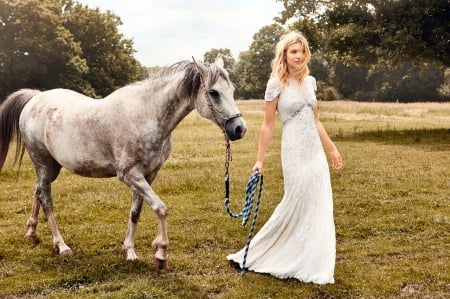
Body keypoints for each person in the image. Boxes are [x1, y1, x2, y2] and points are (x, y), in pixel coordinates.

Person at [227, 31, 342, 284]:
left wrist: (332, 148)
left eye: (302, 51)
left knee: (318, 200)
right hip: (293, 150)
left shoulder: (310, 82)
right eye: (293, 52)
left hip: (314, 150)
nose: (299, 56)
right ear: (284, 55)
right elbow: (268, 125)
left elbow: (316, 121)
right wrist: (259, 160)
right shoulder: (275, 84)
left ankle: (313, 256)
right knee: (296, 199)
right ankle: (266, 251)